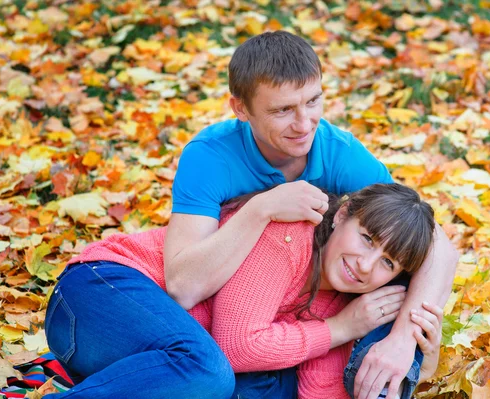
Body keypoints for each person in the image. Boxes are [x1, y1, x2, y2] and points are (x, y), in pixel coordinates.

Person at [163, 30, 458, 399]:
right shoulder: (209, 156)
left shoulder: (339, 153)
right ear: (241, 109)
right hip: (237, 304)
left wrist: (403, 338)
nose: (305, 124)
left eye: (313, 101)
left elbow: (431, 240)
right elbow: (183, 285)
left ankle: (389, 382)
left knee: (388, 265)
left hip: (308, 301)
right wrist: (263, 208)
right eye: (283, 109)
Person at [44, 183, 443, 398]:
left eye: (388, 264)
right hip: (98, 294)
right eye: (368, 239)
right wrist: (340, 328)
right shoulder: (291, 234)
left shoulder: (349, 302)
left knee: (262, 388)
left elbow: (317, 391)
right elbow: (236, 346)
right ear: (342, 216)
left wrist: (422, 360)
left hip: (129, 358)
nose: (366, 266)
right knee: (211, 372)